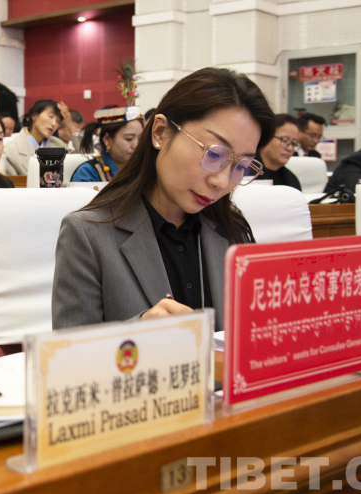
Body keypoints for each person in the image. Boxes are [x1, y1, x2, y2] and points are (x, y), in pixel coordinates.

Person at [52, 67, 273, 332]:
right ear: (160, 132)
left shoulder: (232, 232)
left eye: (242, 166)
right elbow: (70, 351)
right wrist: (139, 331)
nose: (222, 182)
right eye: (214, 154)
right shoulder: (88, 234)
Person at [72, 106, 145, 182]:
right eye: (129, 139)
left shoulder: (144, 168)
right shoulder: (87, 173)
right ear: (107, 139)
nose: (136, 145)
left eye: (140, 139)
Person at [2, 99, 71, 176]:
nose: (54, 124)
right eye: (51, 116)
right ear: (34, 116)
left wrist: (70, 126)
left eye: (58, 121)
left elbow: (80, 164)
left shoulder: (59, 145)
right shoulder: (10, 150)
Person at [254, 114, 302, 190]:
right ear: (266, 137)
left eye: (294, 143)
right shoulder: (244, 173)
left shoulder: (292, 181)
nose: (289, 148)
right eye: (284, 140)